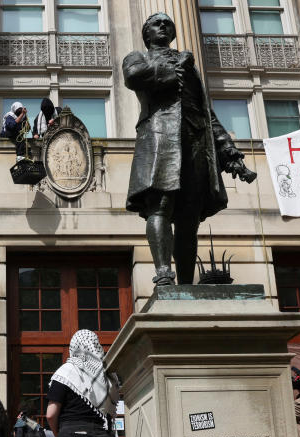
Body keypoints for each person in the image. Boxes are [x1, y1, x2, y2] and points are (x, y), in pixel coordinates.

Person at [122, 12, 255, 286]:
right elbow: (134, 77)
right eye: (156, 23)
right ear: (146, 33)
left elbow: (206, 114)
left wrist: (231, 155)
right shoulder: (139, 57)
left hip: (195, 144)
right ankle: (162, 274)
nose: (162, 26)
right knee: (160, 205)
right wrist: (177, 69)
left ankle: (185, 284)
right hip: (160, 139)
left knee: (189, 218)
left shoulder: (188, 65)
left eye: (167, 24)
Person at [44, 330, 119, 437]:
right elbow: (111, 410)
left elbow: (50, 414)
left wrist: (58, 435)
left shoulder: (67, 371)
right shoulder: (108, 377)